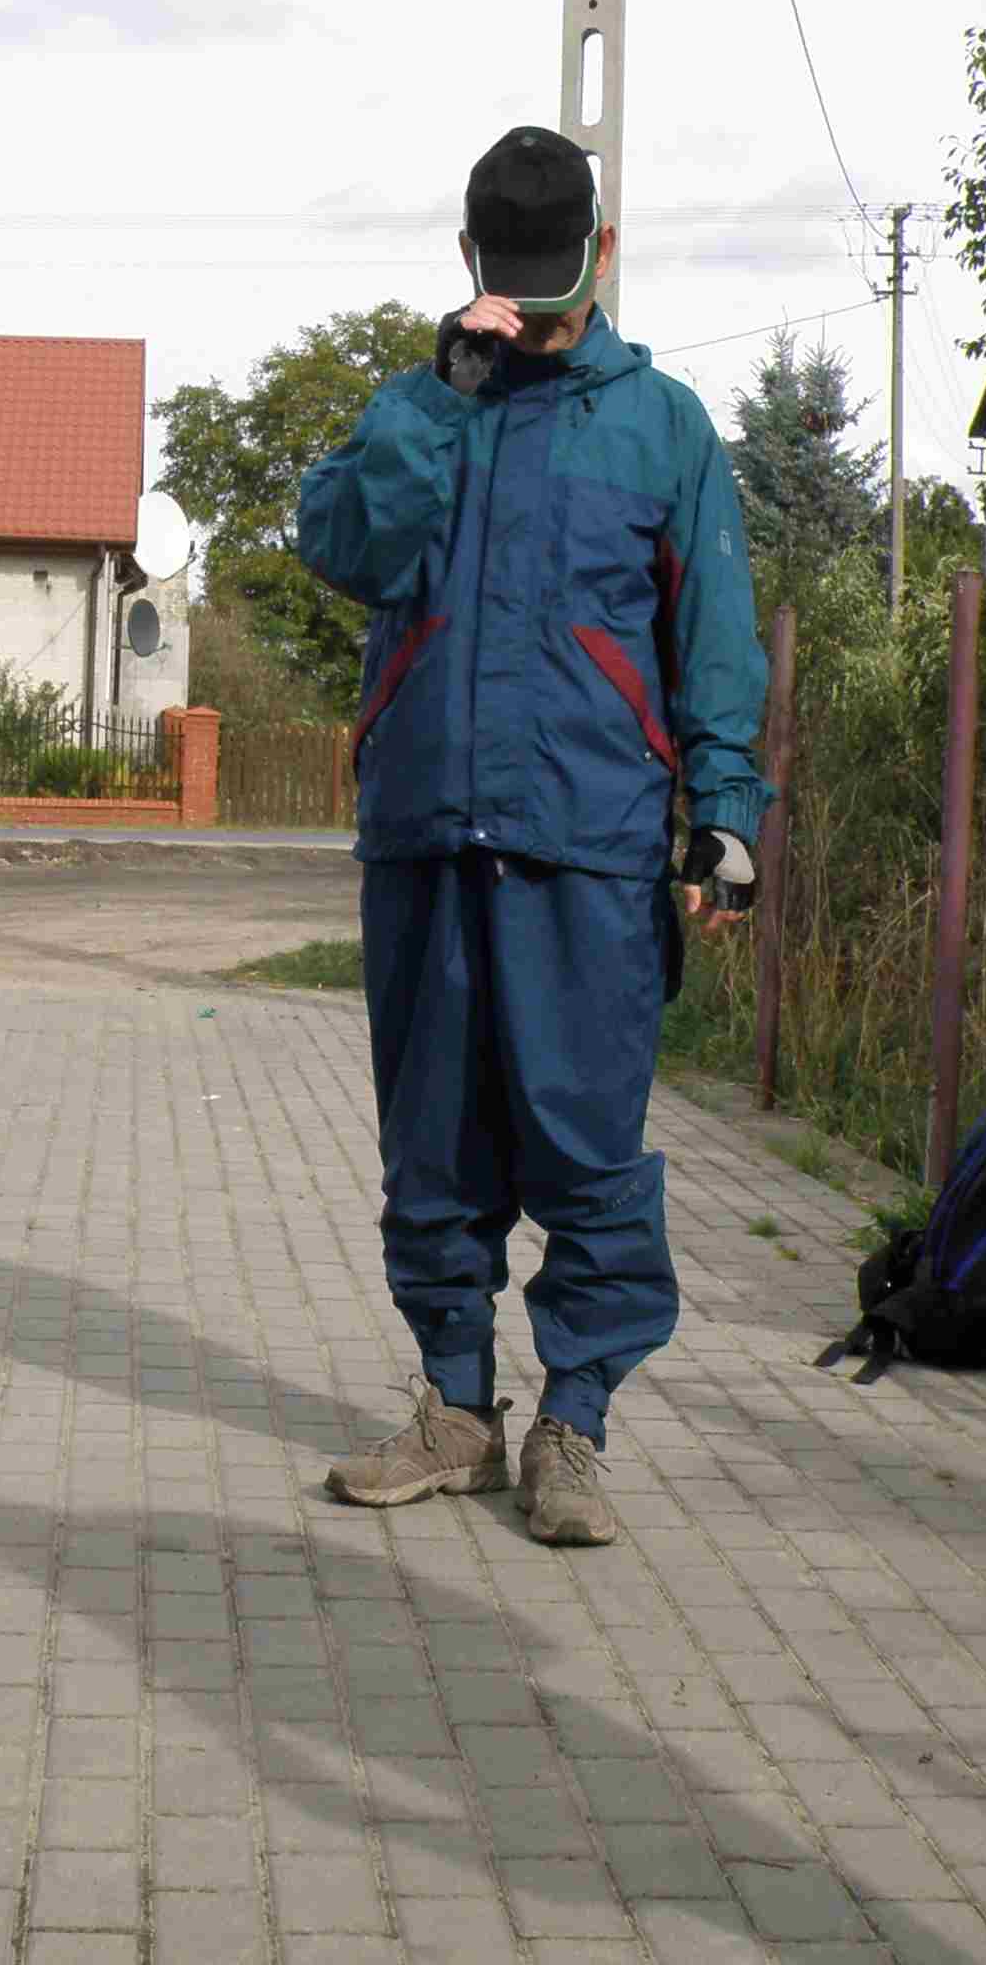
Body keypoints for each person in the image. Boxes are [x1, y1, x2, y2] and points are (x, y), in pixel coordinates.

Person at [295, 127, 770, 1547]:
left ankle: (575, 1425)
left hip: (588, 844)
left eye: (563, 280)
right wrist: (437, 401)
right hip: (429, 840)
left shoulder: (663, 427)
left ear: (602, 253)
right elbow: (343, 548)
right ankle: (456, 1410)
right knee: (433, 1154)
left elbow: (715, 636)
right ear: (470, 262)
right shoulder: (417, 408)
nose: (544, 310)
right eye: (518, 282)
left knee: (587, 1153)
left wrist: (725, 811)